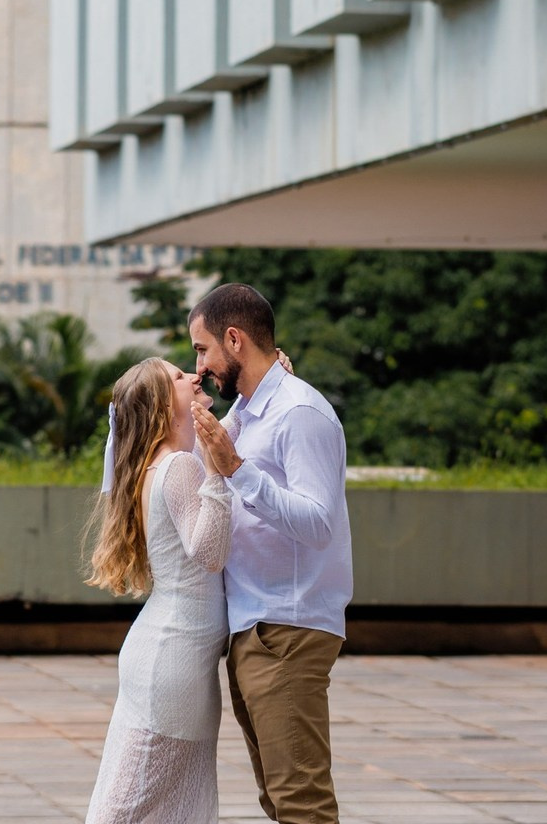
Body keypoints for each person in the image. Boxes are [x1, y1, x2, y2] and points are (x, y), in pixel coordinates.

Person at [190, 283, 353, 824]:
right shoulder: (247, 411)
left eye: (203, 349)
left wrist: (238, 471)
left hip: (288, 626)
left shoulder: (299, 412)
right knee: (279, 800)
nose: (200, 366)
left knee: (301, 802)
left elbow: (318, 524)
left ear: (234, 339)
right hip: (254, 627)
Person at [82, 356, 232, 824]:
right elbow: (210, 551)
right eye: (178, 377)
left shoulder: (164, 464)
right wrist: (219, 475)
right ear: (164, 406)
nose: (194, 375)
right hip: (174, 660)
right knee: (128, 808)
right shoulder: (180, 467)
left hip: (172, 655)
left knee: (161, 806)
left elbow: (231, 433)